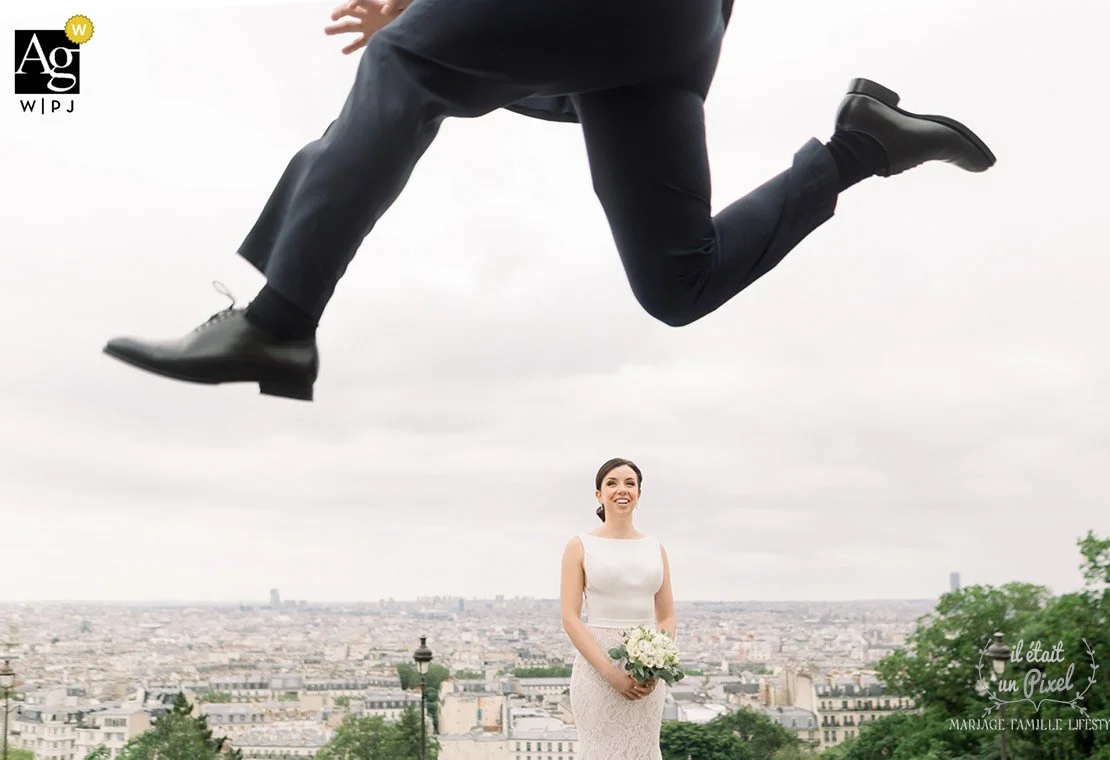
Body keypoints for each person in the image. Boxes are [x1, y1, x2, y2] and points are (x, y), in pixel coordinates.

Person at [102, 0, 996, 401]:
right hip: (671, 44)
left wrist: (422, 24)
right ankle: (863, 144)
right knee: (677, 283)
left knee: (404, 66)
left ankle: (277, 321)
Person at [560, 458, 675, 760]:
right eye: (611, 483)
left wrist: (655, 667)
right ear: (598, 494)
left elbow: (666, 616)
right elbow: (570, 617)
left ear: (639, 493)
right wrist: (610, 673)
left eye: (629, 483)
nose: (621, 489)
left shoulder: (655, 547)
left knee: (644, 749)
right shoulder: (579, 545)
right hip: (597, 667)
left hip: (647, 674)